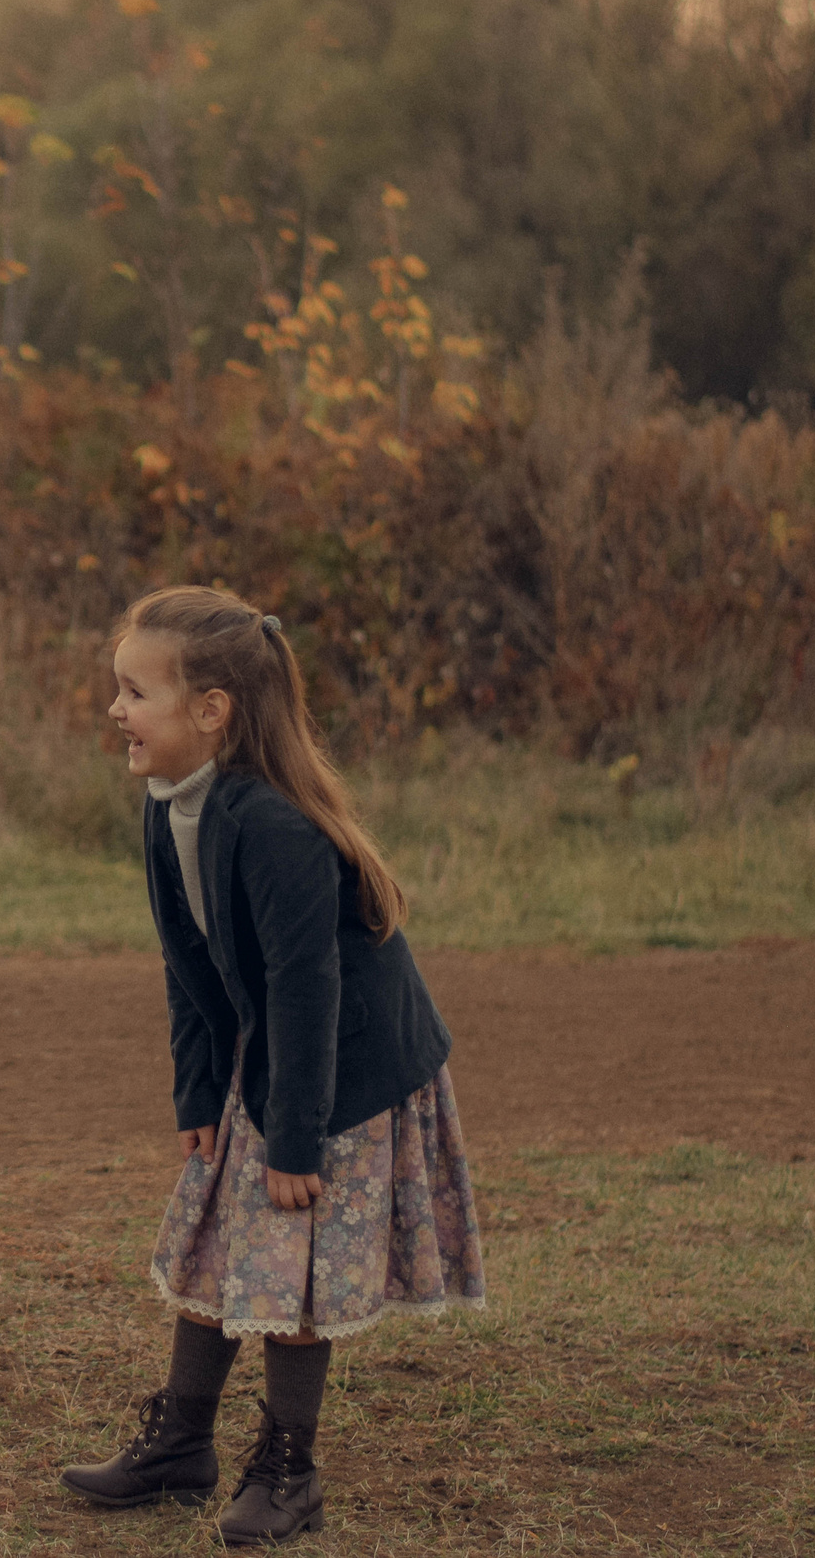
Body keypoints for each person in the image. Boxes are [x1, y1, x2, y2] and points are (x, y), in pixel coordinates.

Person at [63, 586, 485, 1545]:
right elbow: (188, 964)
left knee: (291, 1256)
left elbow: (309, 989)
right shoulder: (170, 804)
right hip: (267, 1051)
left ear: (212, 709)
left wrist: (295, 1139)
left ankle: (290, 1469)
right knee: (219, 1227)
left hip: (341, 1070)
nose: (116, 710)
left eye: (135, 692)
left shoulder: (275, 824)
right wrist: (200, 1090)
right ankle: (180, 1443)